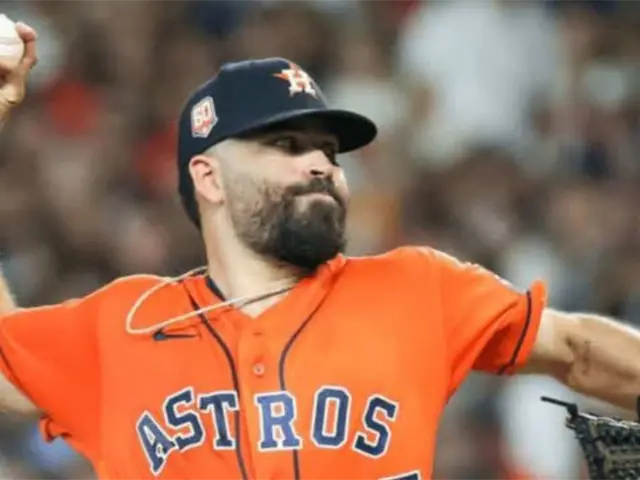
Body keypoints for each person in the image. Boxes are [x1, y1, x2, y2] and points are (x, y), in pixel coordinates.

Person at [0, 22, 639, 480]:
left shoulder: (415, 289)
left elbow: (575, 349)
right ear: (209, 178)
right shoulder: (127, 323)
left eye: (328, 151)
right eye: (285, 146)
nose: (320, 165)